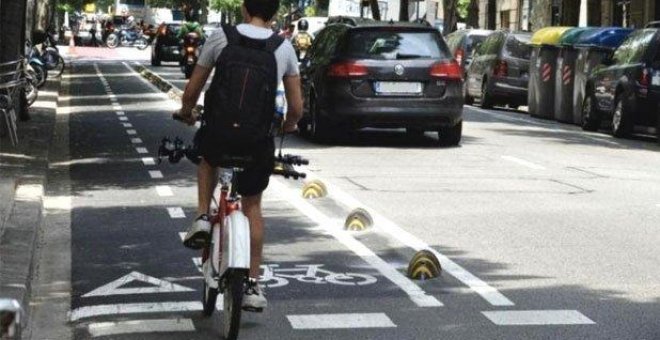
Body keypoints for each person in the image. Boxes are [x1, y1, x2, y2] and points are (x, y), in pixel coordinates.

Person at [175, 0, 303, 311]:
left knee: (207, 159)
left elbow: (193, 89)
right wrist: (288, 124)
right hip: (256, 140)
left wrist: (187, 112)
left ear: (245, 10)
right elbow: (296, 107)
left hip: (219, 133)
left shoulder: (221, 37)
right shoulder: (284, 48)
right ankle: (252, 284)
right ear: (274, 15)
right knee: (253, 205)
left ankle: (204, 216)